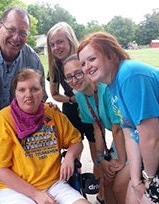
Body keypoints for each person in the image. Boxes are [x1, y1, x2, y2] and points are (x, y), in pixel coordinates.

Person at [0, 68, 90, 204]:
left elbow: (76, 141)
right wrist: (36, 194)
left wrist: (70, 155)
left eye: (34, 89)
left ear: (42, 91)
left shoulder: (52, 113)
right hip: (13, 189)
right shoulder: (3, 120)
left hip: (54, 184)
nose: (29, 95)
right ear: (15, 93)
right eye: (22, 90)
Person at [77, 31, 159, 204]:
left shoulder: (129, 75)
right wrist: (137, 181)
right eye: (83, 63)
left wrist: (149, 180)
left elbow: (151, 138)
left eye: (92, 59)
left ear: (111, 55)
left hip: (155, 144)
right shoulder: (113, 86)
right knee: (132, 195)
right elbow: (130, 135)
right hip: (150, 148)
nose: (87, 67)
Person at [0, 6, 47, 165]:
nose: (16, 38)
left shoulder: (33, 60)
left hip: (19, 138)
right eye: (11, 30)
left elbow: (40, 101)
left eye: (23, 33)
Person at [63, 54, 130, 204]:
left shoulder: (105, 88)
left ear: (86, 70)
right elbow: (97, 129)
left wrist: (120, 161)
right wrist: (100, 159)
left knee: (119, 186)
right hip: (120, 140)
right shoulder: (81, 97)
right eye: (69, 77)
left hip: (133, 137)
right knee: (106, 182)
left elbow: (117, 128)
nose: (75, 80)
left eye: (78, 73)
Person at [46, 22, 100, 200]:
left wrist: (85, 97)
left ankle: (97, 184)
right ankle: (76, 187)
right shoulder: (55, 67)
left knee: (96, 146)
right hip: (71, 109)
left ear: (70, 41)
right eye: (52, 44)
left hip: (90, 106)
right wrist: (71, 99)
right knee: (74, 148)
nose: (56, 47)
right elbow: (54, 94)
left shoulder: (81, 59)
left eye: (60, 42)